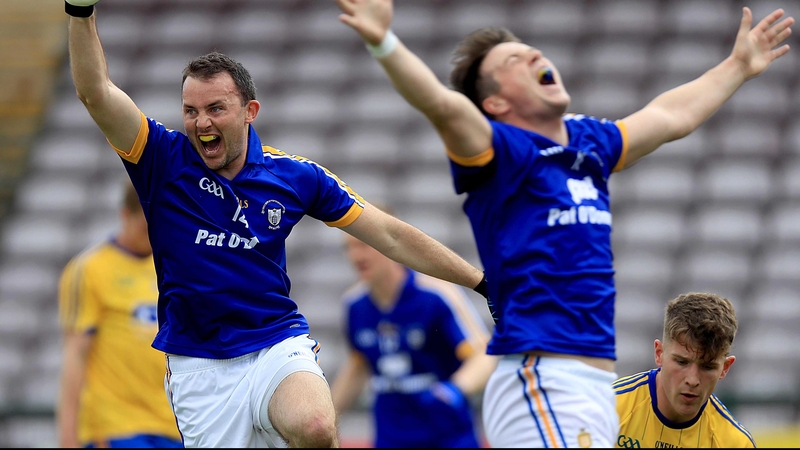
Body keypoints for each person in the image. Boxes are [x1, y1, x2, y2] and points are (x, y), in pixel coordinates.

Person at [334, 0, 793, 447]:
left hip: (591, 384)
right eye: (514, 60)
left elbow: (672, 116)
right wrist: (384, 41)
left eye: (533, 50)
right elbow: (441, 105)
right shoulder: (500, 151)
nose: (534, 54)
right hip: (541, 376)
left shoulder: (589, 142)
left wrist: (737, 65)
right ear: (493, 103)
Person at [64, 1, 490, 448]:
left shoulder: (296, 177)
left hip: (274, 342)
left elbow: (388, 234)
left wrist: (481, 282)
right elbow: (95, 91)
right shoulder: (161, 158)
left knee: (316, 427)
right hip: (199, 366)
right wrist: (80, 11)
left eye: (216, 108)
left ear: (250, 111)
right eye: (191, 110)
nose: (201, 122)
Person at [331, 204, 498, 448]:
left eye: (363, 244)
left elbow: (483, 356)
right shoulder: (354, 305)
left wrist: (454, 389)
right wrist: (326, 415)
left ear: (386, 243)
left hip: (447, 438)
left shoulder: (435, 295)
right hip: (391, 439)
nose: (356, 257)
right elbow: (358, 365)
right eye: (349, 248)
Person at [56, 179, 183, 448]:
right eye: (145, 226)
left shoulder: (173, 269)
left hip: (172, 427)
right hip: (115, 427)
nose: (152, 235)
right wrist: (67, 436)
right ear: (125, 215)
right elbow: (75, 355)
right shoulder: (90, 270)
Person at [614, 292, 755, 448]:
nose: (692, 380)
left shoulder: (737, 444)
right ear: (659, 353)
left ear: (725, 368)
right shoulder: (606, 409)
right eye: (682, 362)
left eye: (707, 367)